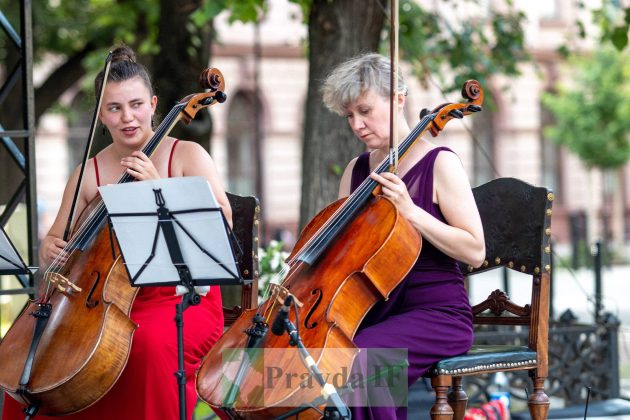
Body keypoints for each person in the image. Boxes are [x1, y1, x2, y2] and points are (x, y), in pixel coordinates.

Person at [2, 45, 230, 419]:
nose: (128, 117)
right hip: (100, 302)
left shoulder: (187, 155)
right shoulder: (88, 173)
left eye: (136, 104)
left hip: (179, 298)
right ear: (101, 116)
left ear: (154, 103)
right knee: (31, 361)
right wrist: (51, 247)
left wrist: (159, 189)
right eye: (114, 108)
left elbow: (221, 227)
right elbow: (54, 240)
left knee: (146, 349)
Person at [321, 53, 485, 419]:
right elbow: (343, 252)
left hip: (437, 312)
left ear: (398, 98)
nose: (358, 125)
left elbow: (475, 250)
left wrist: (411, 212)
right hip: (374, 306)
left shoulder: (440, 162)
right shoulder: (355, 170)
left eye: (365, 110)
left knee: (364, 360)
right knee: (303, 362)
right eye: (350, 116)